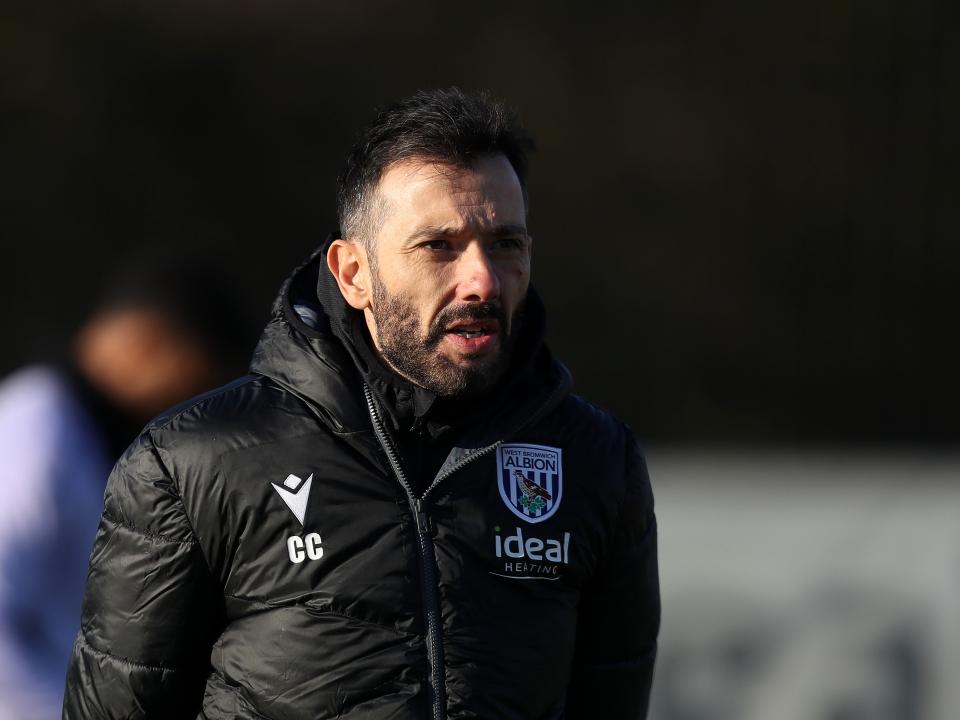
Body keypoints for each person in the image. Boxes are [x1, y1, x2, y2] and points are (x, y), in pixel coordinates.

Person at [63, 88, 660, 719]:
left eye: (505, 244)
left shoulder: (597, 461)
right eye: (438, 246)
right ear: (353, 274)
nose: (481, 279)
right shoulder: (190, 462)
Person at [0, 256, 248, 719]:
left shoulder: (86, 431)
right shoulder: (36, 432)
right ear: (145, 340)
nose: (191, 400)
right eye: (193, 377)